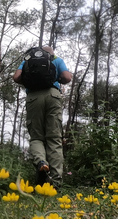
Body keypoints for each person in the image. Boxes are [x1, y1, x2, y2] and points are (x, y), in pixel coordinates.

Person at [13, 46, 73, 187]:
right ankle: (56, 182)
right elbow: (67, 77)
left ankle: (41, 162)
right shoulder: (56, 59)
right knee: (54, 139)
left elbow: (16, 77)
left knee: (37, 137)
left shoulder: (28, 59)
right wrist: (56, 78)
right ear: (51, 53)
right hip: (53, 95)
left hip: (33, 96)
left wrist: (29, 81)